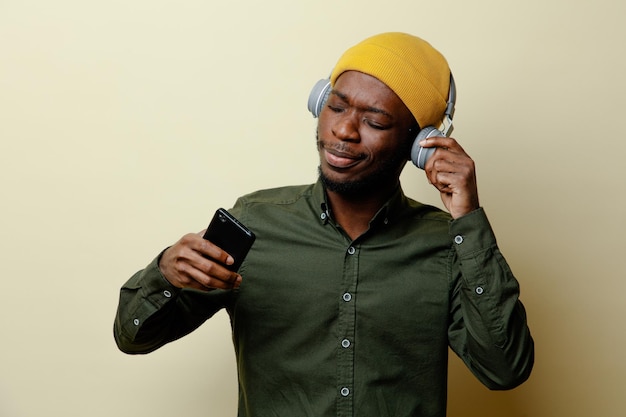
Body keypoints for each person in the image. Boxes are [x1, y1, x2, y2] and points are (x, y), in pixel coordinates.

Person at [114, 32, 534, 417]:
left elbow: (505, 369)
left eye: (375, 121)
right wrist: (165, 272)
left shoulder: (448, 245)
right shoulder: (255, 222)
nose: (343, 130)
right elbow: (134, 336)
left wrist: (469, 219)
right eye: (335, 106)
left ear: (418, 144)